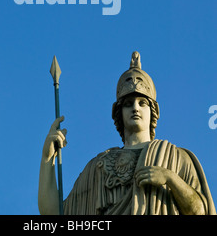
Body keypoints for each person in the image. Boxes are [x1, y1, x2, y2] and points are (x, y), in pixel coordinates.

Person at [38, 52, 216, 215]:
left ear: (153, 111)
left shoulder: (175, 158)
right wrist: (48, 159)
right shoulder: (99, 167)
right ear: (119, 112)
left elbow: (200, 211)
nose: (135, 108)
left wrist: (170, 178)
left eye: (142, 103)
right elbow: (55, 213)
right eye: (128, 103)